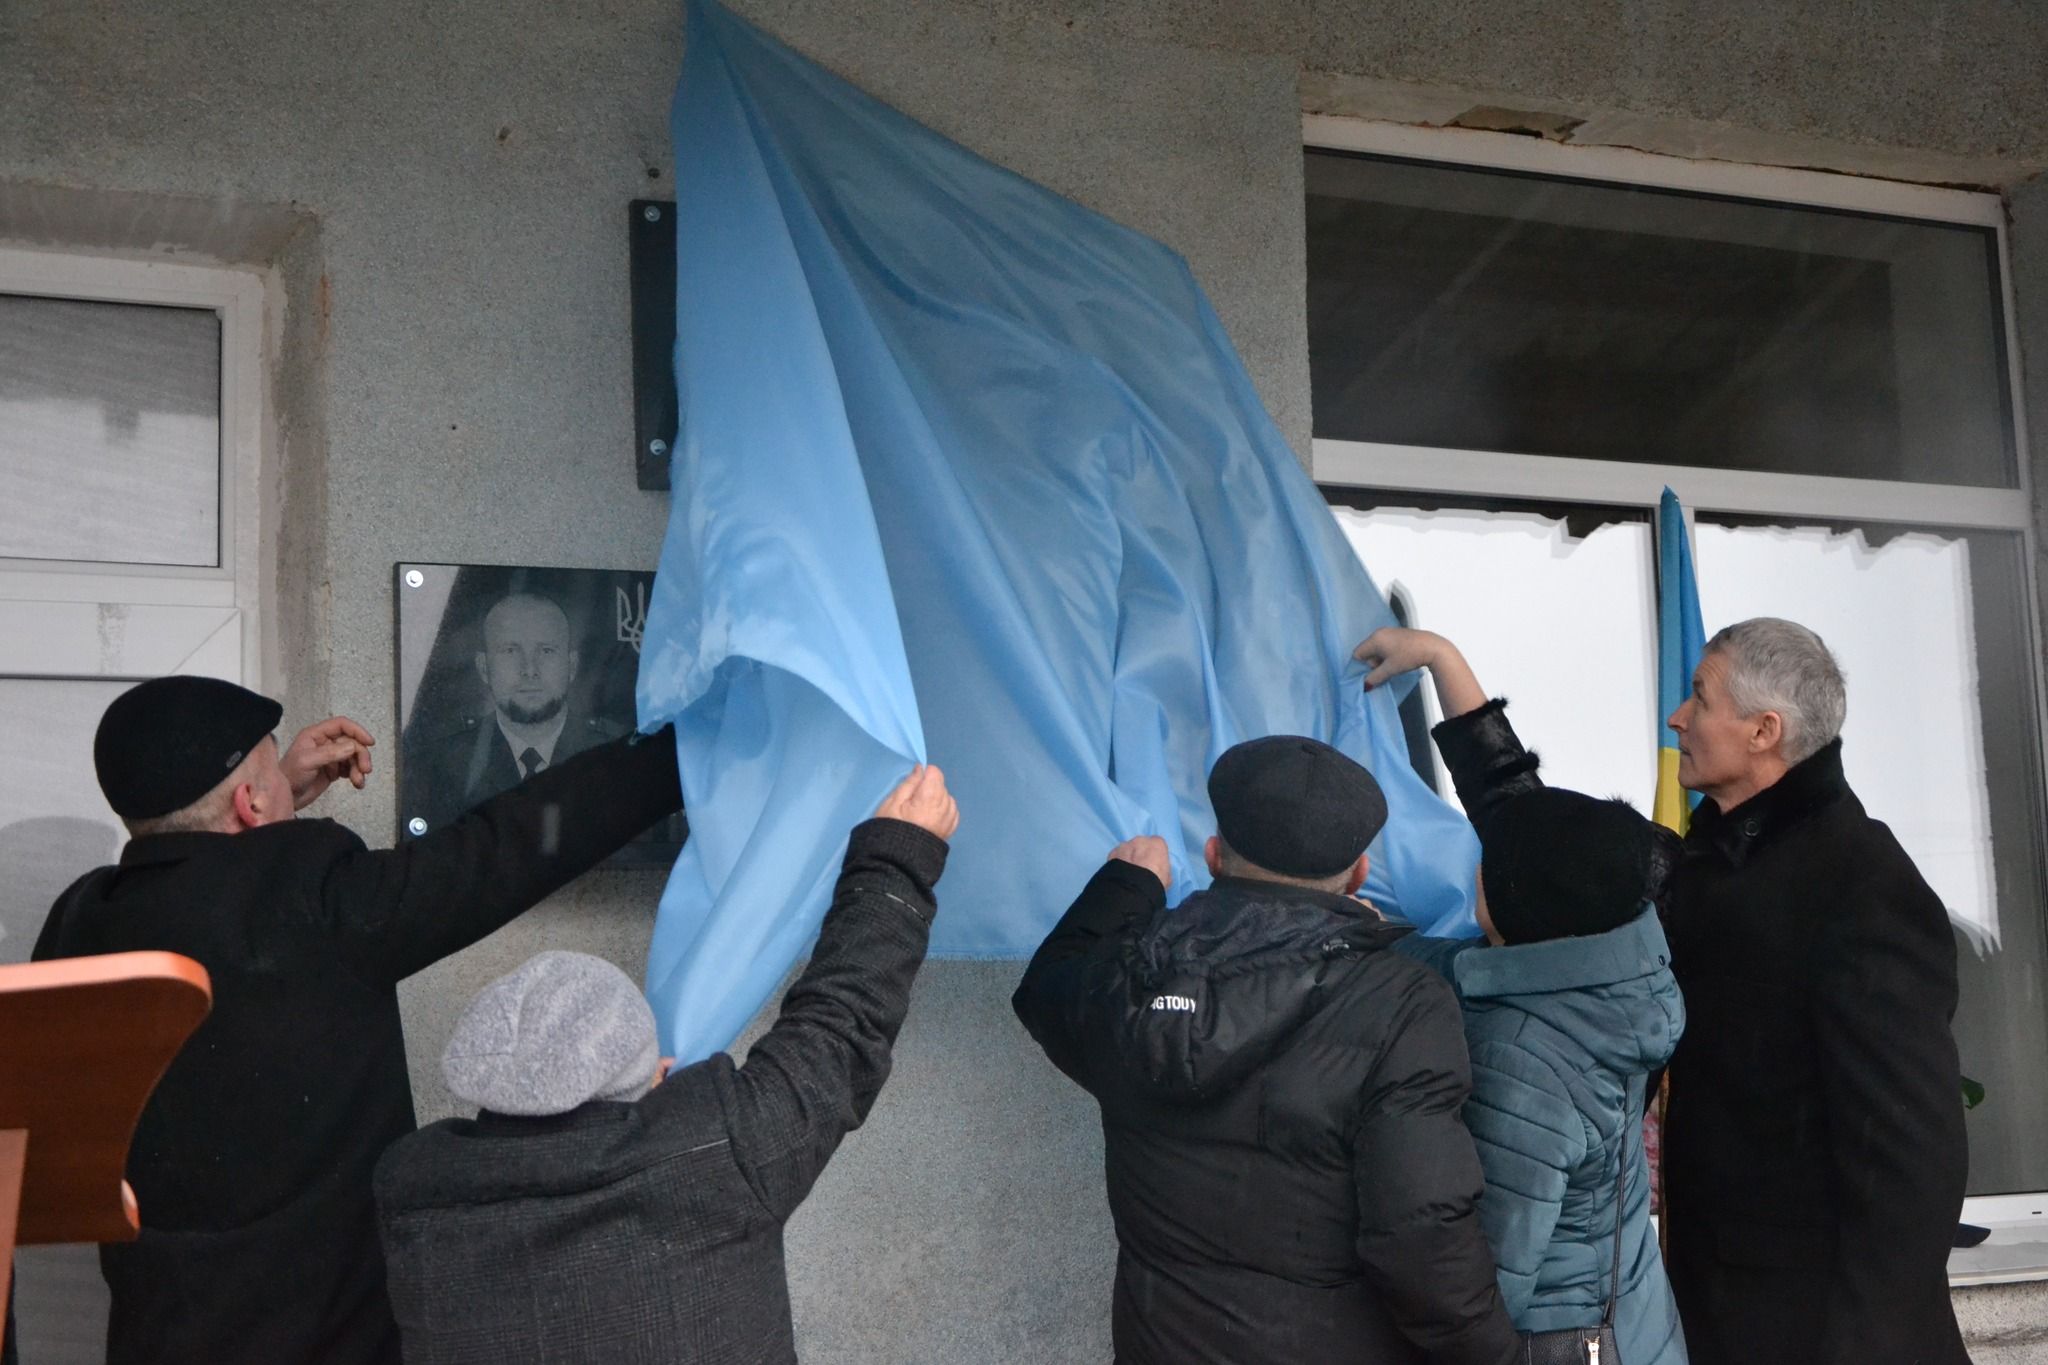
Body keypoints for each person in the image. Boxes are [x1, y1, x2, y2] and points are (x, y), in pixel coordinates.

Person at [30, 674, 686, 1364]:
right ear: (251, 805)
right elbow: (503, 848)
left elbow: (204, 875)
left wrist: (272, 788)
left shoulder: (78, 926)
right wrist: (676, 756)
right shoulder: (316, 899)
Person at [373, 764, 957, 1365]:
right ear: (658, 1075)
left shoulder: (413, 1196)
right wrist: (897, 856)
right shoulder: (716, 1154)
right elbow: (843, 1022)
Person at [1012, 736, 1521, 1365]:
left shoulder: (1128, 978)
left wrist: (1126, 882)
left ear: (1214, 854)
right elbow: (1420, 1232)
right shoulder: (1401, 1000)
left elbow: (1046, 987)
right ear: (1360, 872)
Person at [1357, 625, 1687, 1365]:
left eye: (1484, 866)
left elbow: (1489, 1278)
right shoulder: (1614, 963)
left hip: (1561, 1345)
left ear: (1508, 903)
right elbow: (1519, 820)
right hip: (1633, 1324)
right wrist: (1443, 657)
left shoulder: (1529, 1063)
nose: (1471, 863)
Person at [1657, 618, 1969, 1364]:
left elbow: (1911, 1162)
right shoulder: (1711, 860)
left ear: (1764, 730)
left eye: (1700, 697)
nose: (1677, 717)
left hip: (1820, 1335)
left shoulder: (1859, 882)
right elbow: (1550, 864)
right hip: (1724, 1319)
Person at [405, 591, 628, 833]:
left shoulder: (617, 756)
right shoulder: (438, 766)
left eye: (546, 650)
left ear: (571, 666)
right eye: (510, 650)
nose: (529, 670)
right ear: (484, 667)